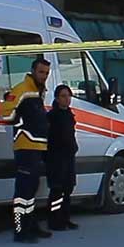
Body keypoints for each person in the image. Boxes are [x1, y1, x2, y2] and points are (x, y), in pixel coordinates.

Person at [2, 58, 52, 244]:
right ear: (33, 71)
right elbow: (6, 113)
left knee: (31, 191)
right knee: (22, 192)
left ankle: (31, 225)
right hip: (25, 147)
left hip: (38, 147)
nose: (44, 76)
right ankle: (20, 229)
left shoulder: (37, 92)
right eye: (41, 72)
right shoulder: (23, 89)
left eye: (46, 73)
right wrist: (22, 124)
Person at [46, 84, 79, 232]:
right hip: (56, 158)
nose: (67, 99)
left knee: (68, 188)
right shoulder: (53, 116)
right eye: (63, 96)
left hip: (68, 157)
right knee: (57, 190)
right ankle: (54, 221)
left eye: (68, 96)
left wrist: (73, 147)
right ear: (57, 98)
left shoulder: (69, 115)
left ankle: (65, 219)